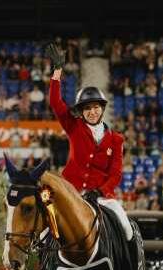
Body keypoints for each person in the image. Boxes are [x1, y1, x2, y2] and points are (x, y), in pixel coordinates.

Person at [45, 42, 132, 239]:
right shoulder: (74, 126)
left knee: (127, 229)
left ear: (102, 109)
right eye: (87, 108)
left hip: (100, 197)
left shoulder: (116, 139)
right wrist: (57, 72)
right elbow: (56, 103)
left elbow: (116, 174)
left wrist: (100, 191)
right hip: (70, 192)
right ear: (81, 111)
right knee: (46, 225)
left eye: (96, 107)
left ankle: (134, 258)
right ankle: (44, 258)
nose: (92, 112)